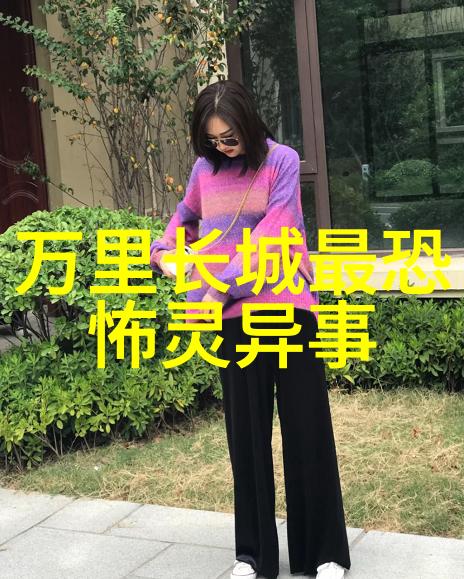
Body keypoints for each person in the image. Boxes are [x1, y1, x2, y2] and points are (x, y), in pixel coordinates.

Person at [150, 79, 351, 579]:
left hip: (286, 308)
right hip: (233, 321)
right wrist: (165, 255)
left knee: (307, 428)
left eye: (230, 137)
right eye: (213, 140)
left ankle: (322, 552)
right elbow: (182, 222)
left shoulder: (281, 161)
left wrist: (218, 287)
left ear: (248, 122)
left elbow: (274, 233)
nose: (223, 147)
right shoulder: (204, 171)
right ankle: (254, 555)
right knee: (246, 437)